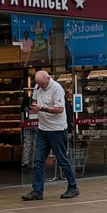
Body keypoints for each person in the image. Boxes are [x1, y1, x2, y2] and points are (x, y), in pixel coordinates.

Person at [21, 70, 79, 200]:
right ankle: (37, 190)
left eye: (42, 84)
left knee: (62, 159)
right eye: (38, 85)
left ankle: (73, 186)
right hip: (43, 129)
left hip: (57, 130)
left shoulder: (56, 88)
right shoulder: (38, 86)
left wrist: (42, 108)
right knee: (38, 160)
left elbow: (60, 109)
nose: (41, 87)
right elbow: (35, 100)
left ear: (48, 78)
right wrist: (33, 104)